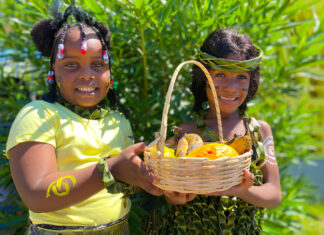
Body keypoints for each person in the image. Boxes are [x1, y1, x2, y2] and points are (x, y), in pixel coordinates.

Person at [6, 3, 162, 234]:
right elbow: (36, 194)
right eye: (71, 64)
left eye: (98, 64)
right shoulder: (39, 115)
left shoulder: (117, 120)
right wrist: (111, 169)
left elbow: (122, 182)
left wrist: (150, 176)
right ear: (53, 70)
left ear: (110, 72)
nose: (87, 74)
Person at [142, 29, 282, 234]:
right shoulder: (185, 134)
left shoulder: (258, 132)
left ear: (252, 81)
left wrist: (244, 191)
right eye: (221, 75)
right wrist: (173, 196)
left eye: (241, 77)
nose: (231, 87)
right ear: (203, 79)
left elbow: (274, 195)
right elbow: (167, 185)